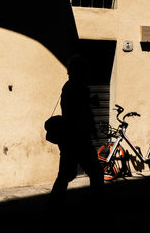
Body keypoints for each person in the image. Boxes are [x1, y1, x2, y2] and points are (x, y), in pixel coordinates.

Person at [50, 54, 104, 207]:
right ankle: (95, 204)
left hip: (71, 139)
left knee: (66, 175)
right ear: (80, 71)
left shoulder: (69, 87)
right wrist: (89, 103)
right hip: (78, 138)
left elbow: (76, 109)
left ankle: (54, 206)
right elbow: (81, 112)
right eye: (85, 70)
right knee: (95, 172)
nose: (87, 73)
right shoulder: (78, 87)